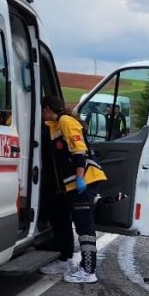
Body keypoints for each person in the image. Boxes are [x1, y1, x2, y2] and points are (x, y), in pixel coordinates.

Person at [38, 96, 108, 284]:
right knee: (80, 225)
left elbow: (79, 152)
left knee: (85, 228)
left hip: (85, 180)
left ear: (47, 108)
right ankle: (70, 262)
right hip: (74, 184)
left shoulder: (65, 121)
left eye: (42, 110)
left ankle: (88, 271)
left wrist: (79, 178)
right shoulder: (55, 125)